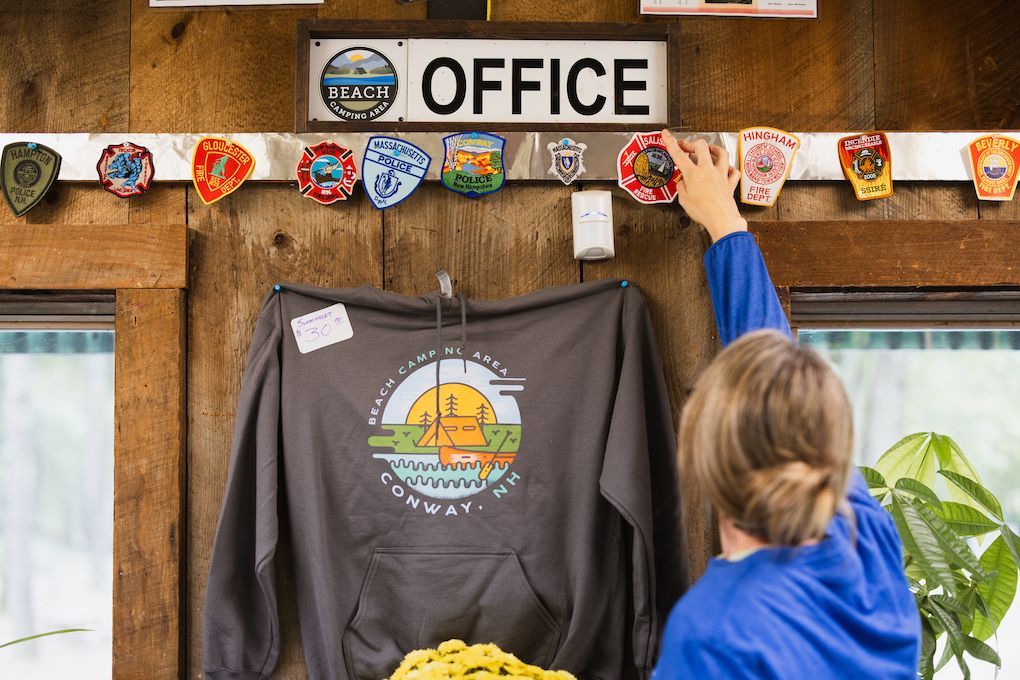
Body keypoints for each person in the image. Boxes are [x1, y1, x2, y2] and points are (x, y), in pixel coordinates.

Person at [650, 131, 921, 678]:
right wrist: (725, 224)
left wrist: (725, 222)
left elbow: (773, 377)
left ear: (706, 460)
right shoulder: (864, 540)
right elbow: (774, 376)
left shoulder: (714, 632)